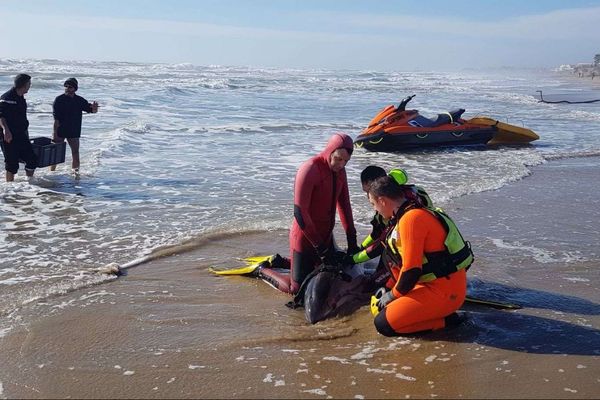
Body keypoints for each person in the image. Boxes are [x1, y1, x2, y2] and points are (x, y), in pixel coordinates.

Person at [367, 175, 473, 335]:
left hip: (445, 293)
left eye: (373, 204)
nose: (375, 210)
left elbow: (411, 271)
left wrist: (391, 295)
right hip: (437, 285)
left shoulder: (411, 219)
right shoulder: (409, 213)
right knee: (388, 310)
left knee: (383, 324)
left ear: (382, 200)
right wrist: (389, 287)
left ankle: (448, 320)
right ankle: (438, 314)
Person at [258, 133, 359, 294]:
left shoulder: (340, 171)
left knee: (334, 272)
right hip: (305, 238)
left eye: (346, 161)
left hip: (325, 236)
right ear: (330, 151)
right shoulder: (310, 169)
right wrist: (320, 248)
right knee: (297, 290)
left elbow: (345, 205)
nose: (341, 164)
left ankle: (282, 261)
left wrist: (352, 240)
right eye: (338, 159)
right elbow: (300, 212)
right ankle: (262, 269)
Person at [51, 77, 98, 174]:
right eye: (66, 86)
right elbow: (56, 119)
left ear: (75, 89)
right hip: (61, 129)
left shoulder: (79, 100)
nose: (67, 89)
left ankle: (76, 174)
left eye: (70, 87)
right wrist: (55, 133)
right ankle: (52, 172)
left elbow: (92, 110)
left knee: (75, 152)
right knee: (56, 153)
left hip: (74, 130)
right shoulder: (59, 99)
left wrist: (94, 108)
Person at [0, 74, 36, 182]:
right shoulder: (6, 98)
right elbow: (0, 116)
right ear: (23, 85)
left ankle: (28, 183)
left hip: (21, 133)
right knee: (12, 164)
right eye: (29, 84)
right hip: (8, 134)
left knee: (32, 159)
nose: (30, 86)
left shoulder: (21, 98)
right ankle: (9, 189)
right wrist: (6, 130)